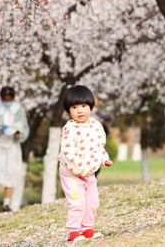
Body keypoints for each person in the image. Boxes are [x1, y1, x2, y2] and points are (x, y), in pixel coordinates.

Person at [59, 85, 113, 242]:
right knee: (77, 202)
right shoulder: (69, 129)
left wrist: (104, 159)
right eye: (74, 107)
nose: (80, 111)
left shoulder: (96, 125)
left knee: (92, 202)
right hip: (72, 173)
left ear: (91, 106)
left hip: (89, 173)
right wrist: (80, 168)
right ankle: (73, 231)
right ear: (69, 110)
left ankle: (87, 228)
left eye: (83, 106)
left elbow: (99, 146)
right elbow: (68, 153)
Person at [0, 86, 29, 214]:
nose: (7, 100)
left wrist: (19, 134)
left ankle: (6, 204)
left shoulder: (18, 109)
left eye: (10, 98)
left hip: (12, 144)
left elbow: (24, 127)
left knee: (11, 171)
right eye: (5, 98)